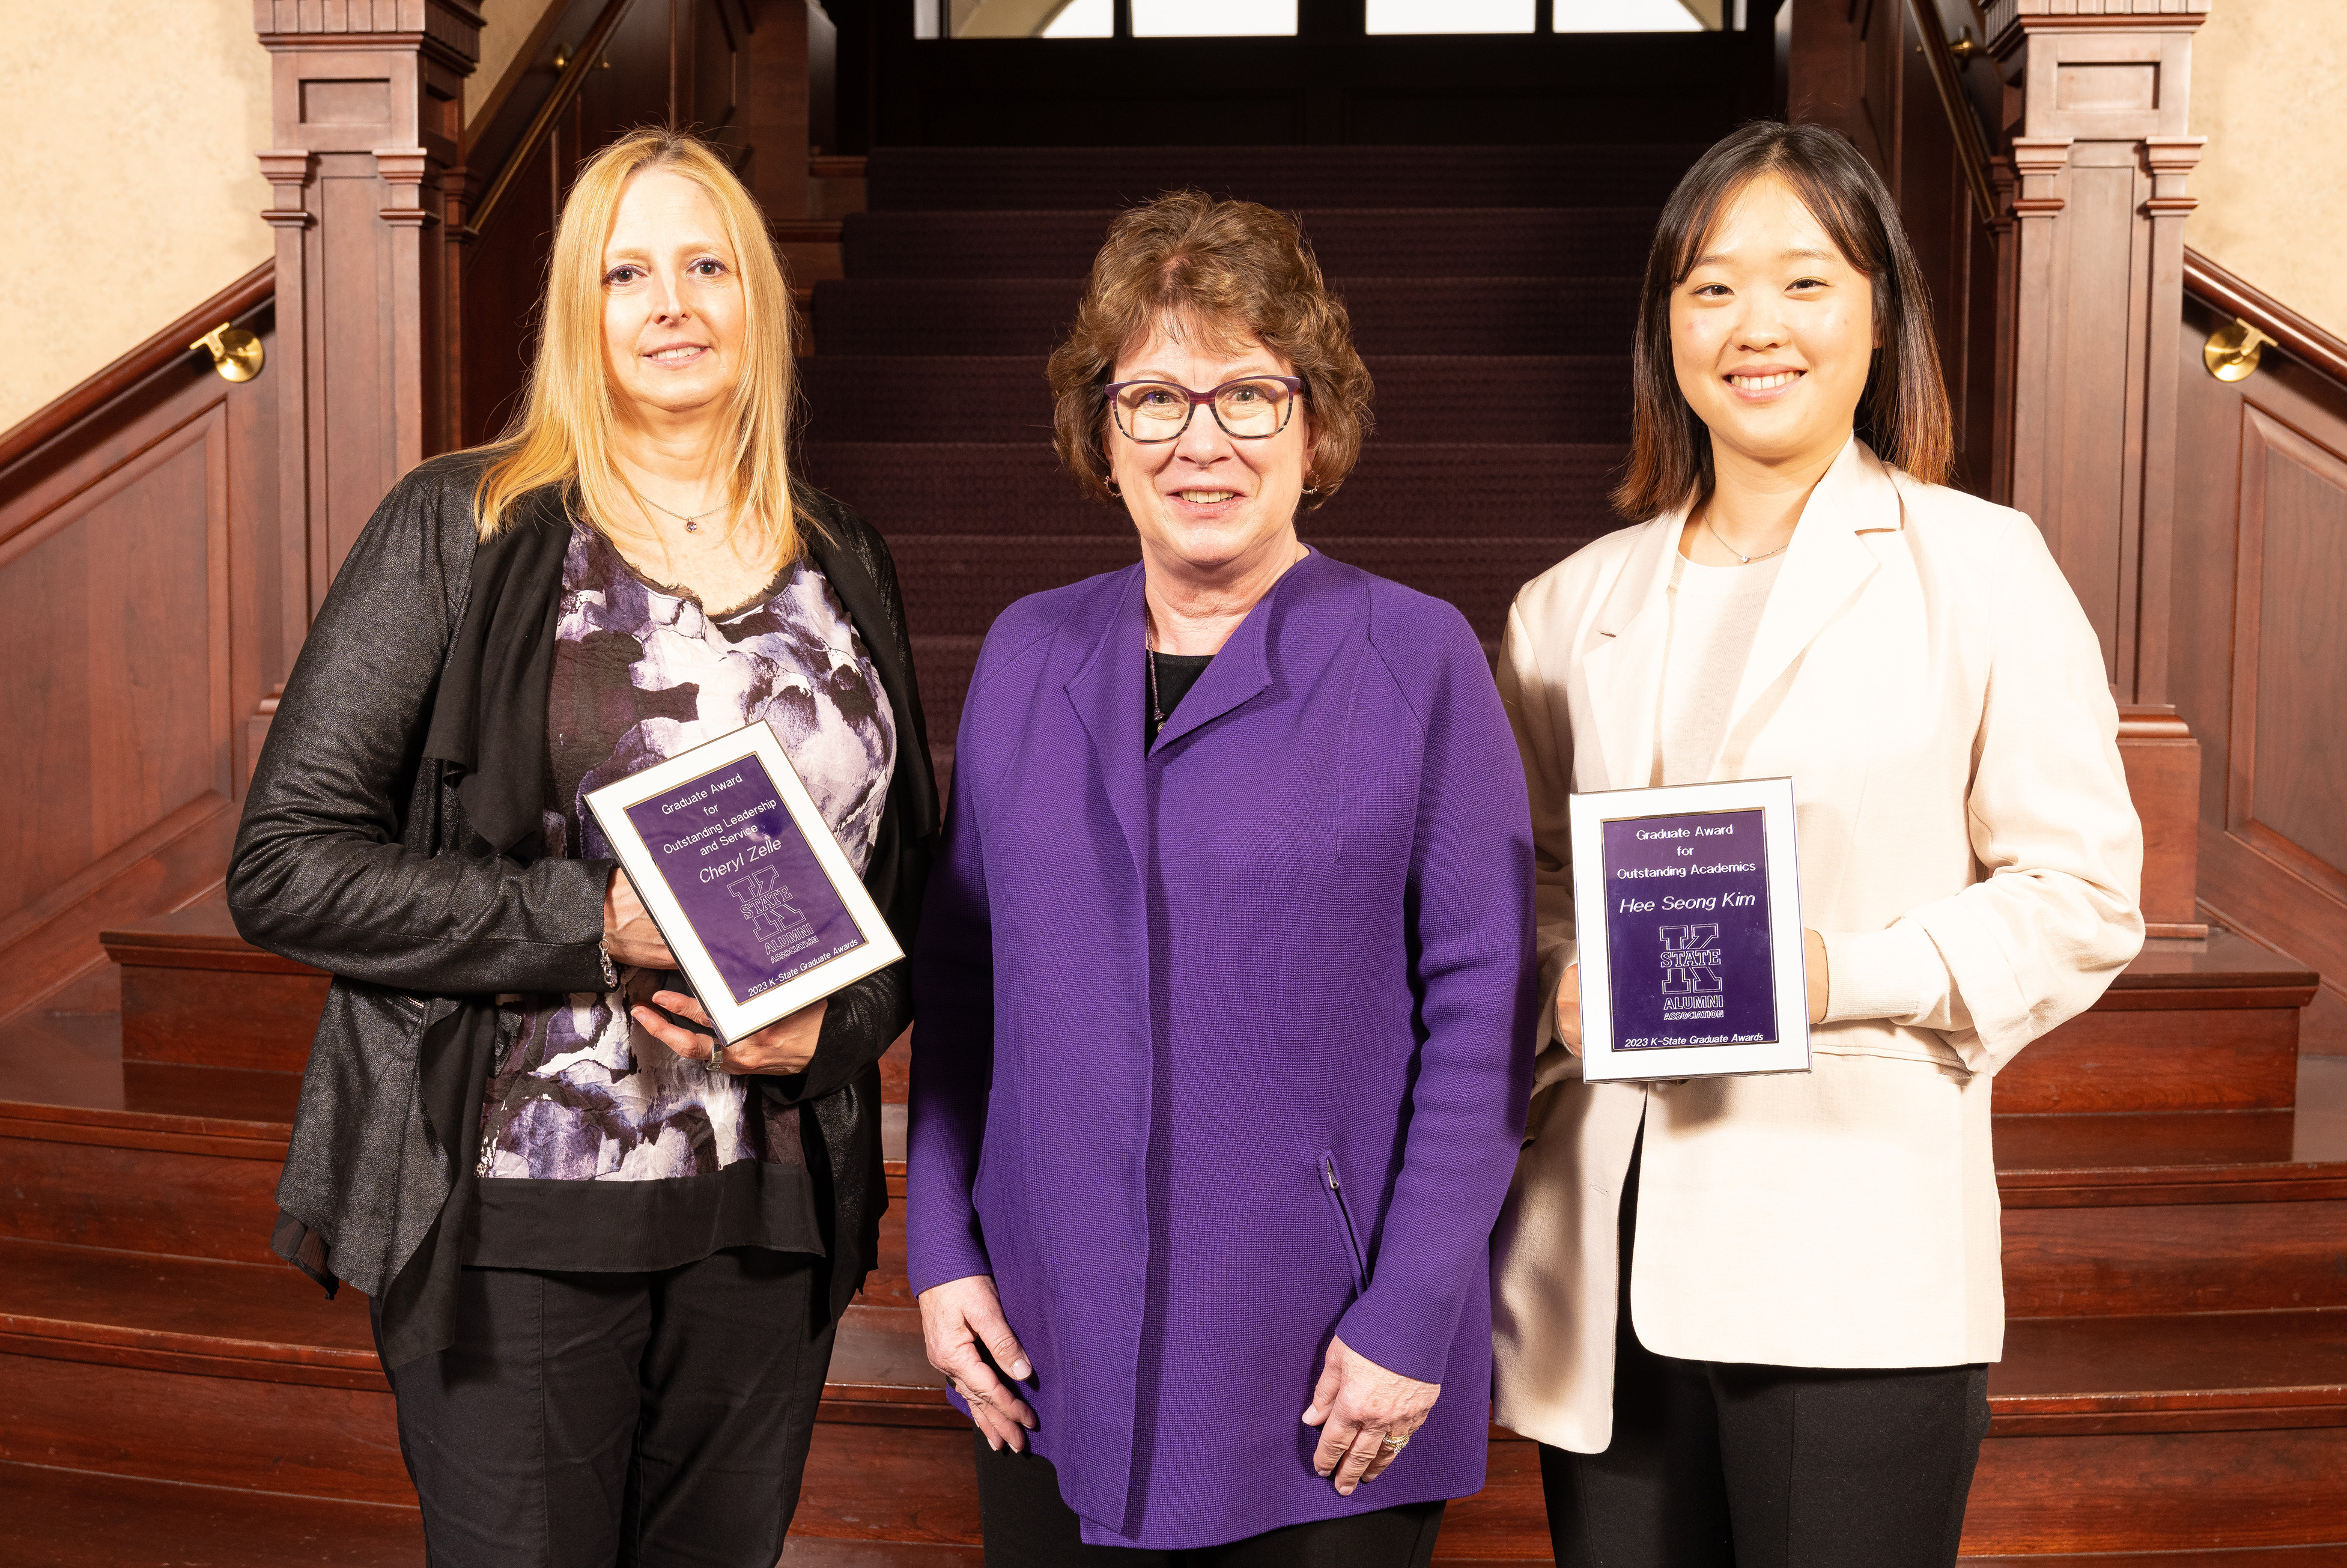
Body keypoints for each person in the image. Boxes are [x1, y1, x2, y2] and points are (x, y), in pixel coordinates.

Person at [226, 128, 935, 1565]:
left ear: (757, 303)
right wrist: (593, 920)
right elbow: (286, 861)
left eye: (705, 265)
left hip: (774, 1203)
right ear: (580, 310)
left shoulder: (841, 552)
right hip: (521, 1200)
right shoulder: (463, 524)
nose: (671, 303)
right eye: (628, 271)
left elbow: (897, 892)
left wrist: (838, 1030)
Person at [1490, 122, 2144, 1568]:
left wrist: (1831, 969)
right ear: (1665, 329)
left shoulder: (1980, 567)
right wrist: (1552, 986)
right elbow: (1523, 887)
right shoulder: (1564, 607)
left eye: (1803, 282)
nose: (1754, 328)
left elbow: (2081, 896)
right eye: (1710, 289)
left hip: (1854, 1246)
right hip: (1608, 1253)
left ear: (1878, 313)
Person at [906, 190, 1536, 1563]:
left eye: (1249, 393)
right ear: (1102, 431)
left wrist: (1411, 1311)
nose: (1202, 441)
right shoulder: (1025, 651)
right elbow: (962, 985)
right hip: (1044, 1333)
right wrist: (942, 1247)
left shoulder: (1417, 660)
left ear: (1315, 428)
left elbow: (1487, 1007)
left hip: (1323, 1358)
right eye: (1155, 399)